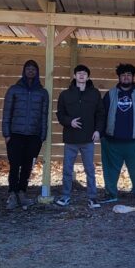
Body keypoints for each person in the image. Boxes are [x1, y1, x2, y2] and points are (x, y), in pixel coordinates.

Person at [100, 63, 135, 204]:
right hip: (112, 141)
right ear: (119, 77)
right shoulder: (110, 94)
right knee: (110, 170)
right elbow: (101, 114)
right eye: (123, 75)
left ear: (133, 77)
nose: (126, 77)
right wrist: (102, 134)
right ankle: (110, 194)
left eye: (128, 75)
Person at [55, 64, 105, 209]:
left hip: (88, 139)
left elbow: (100, 114)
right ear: (74, 76)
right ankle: (65, 197)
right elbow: (60, 114)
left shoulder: (95, 93)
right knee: (67, 169)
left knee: (90, 169)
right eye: (79, 73)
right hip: (71, 138)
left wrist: (98, 131)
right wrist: (69, 121)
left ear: (88, 77)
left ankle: (92, 198)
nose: (82, 75)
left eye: (84, 73)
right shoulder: (65, 94)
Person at [2, 59, 50, 210]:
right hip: (15, 134)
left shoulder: (42, 93)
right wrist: (6, 134)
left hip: (34, 136)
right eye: (28, 68)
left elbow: (44, 115)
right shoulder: (14, 90)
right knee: (14, 165)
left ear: (37, 72)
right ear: (24, 71)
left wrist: (42, 136)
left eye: (33, 69)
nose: (30, 71)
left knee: (28, 166)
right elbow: (7, 112)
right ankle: (12, 194)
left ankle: (22, 193)